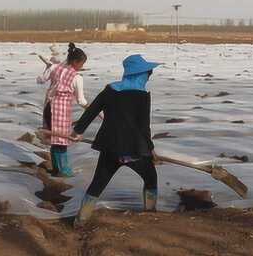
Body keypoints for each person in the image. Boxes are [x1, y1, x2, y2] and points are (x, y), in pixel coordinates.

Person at [72, 54, 161, 226]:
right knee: (150, 178)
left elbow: (91, 111)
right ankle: (150, 213)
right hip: (135, 150)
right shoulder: (142, 96)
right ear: (140, 74)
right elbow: (144, 127)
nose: (148, 76)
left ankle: (80, 221)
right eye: (147, 74)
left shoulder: (110, 90)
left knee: (98, 184)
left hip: (110, 148)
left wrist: (78, 130)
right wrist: (150, 148)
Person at [38, 42, 88, 177]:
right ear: (76, 62)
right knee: (61, 142)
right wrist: (90, 108)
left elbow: (40, 80)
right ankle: (63, 171)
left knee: (55, 139)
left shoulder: (55, 68)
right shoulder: (77, 78)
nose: (82, 67)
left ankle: (56, 169)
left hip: (49, 107)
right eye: (82, 64)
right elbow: (81, 100)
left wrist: (47, 68)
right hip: (61, 112)